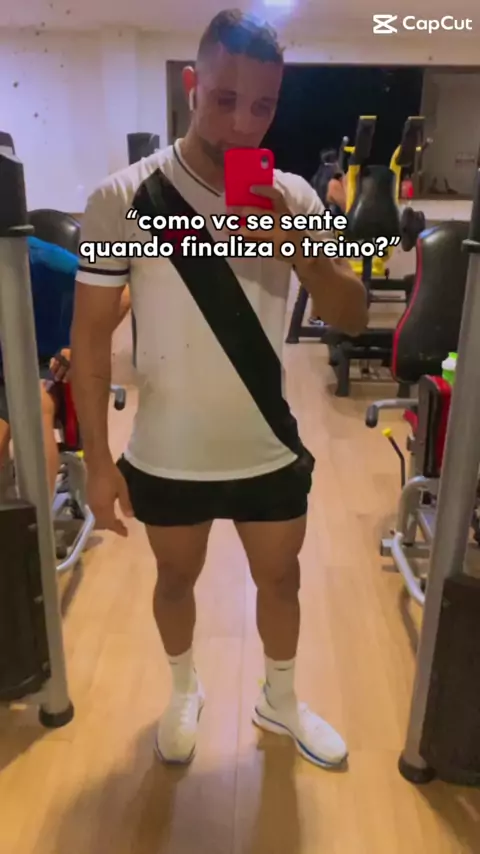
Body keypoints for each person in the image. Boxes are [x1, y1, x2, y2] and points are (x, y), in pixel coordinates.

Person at [71, 9, 367, 770]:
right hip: (167, 449)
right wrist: (97, 463)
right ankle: (182, 691)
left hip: (265, 440)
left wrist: (296, 244)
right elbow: (90, 341)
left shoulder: (293, 197)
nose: (243, 122)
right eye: (225, 98)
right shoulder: (121, 197)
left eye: (263, 105)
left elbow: (352, 313)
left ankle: (281, 699)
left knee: (282, 578)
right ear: (193, 86)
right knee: (175, 578)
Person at [0, 234, 130, 498]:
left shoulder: (43, 258)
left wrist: (80, 349)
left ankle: (38, 519)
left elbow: (122, 293)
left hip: (48, 359)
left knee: (35, 408)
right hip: (5, 361)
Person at [309, 150, 347, 327]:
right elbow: (346, 205)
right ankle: (319, 316)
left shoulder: (316, 179)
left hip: (314, 232)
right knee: (328, 276)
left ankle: (318, 315)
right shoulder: (333, 183)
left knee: (321, 276)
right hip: (327, 235)